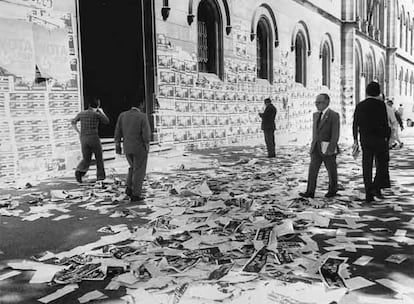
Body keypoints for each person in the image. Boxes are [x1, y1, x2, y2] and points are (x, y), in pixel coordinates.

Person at [353, 82, 390, 202]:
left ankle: (368, 192)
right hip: (379, 138)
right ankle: (376, 186)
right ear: (378, 92)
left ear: (366, 91)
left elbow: (355, 123)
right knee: (382, 164)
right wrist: (387, 137)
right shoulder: (381, 105)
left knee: (367, 165)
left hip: (365, 138)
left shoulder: (360, 105)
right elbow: (385, 122)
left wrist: (355, 139)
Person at [299, 93, 340, 199]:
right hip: (316, 147)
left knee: (331, 170)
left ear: (327, 102)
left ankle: (332, 190)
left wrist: (331, 148)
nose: (317, 105)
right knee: (312, 170)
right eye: (316, 102)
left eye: (319, 102)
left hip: (327, 148)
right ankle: (310, 191)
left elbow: (335, 134)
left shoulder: (333, 115)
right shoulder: (316, 115)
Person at [114, 103, 151, 202]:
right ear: (140, 105)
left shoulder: (122, 115)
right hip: (139, 148)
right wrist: (147, 146)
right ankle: (136, 195)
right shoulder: (142, 116)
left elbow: (117, 132)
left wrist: (117, 146)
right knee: (139, 171)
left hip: (127, 148)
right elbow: (146, 135)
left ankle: (129, 189)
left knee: (132, 167)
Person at [71, 96, 109, 183]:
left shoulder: (82, 113)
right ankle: (100, 177)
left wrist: (78, 132)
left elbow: (73, 122)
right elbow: (107, 121)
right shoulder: (96, 114)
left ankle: (79, 171)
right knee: (99, 157)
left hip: (83, 138)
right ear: (98, 106)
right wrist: (102, 112)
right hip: (93, 137)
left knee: (86, 158)